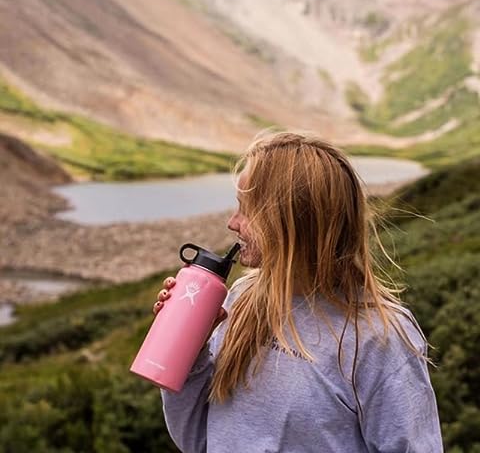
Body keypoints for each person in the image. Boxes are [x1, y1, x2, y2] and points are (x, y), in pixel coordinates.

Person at [153, 132, 443, 452]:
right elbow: (199, 441)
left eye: (246, 210)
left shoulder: (379, 337)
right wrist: (188, 352)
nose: (232, 223)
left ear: (291, 220)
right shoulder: (242, 297)